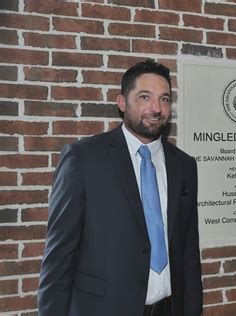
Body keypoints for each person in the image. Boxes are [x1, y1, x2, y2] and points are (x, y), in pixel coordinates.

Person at [38, 60, 202, 316]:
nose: (156, 108)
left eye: (165, 99)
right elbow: (58, 259)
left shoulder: (184, 166)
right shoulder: (83, 159)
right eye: (145, 96)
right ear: (122, 102)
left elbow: (189, 252)